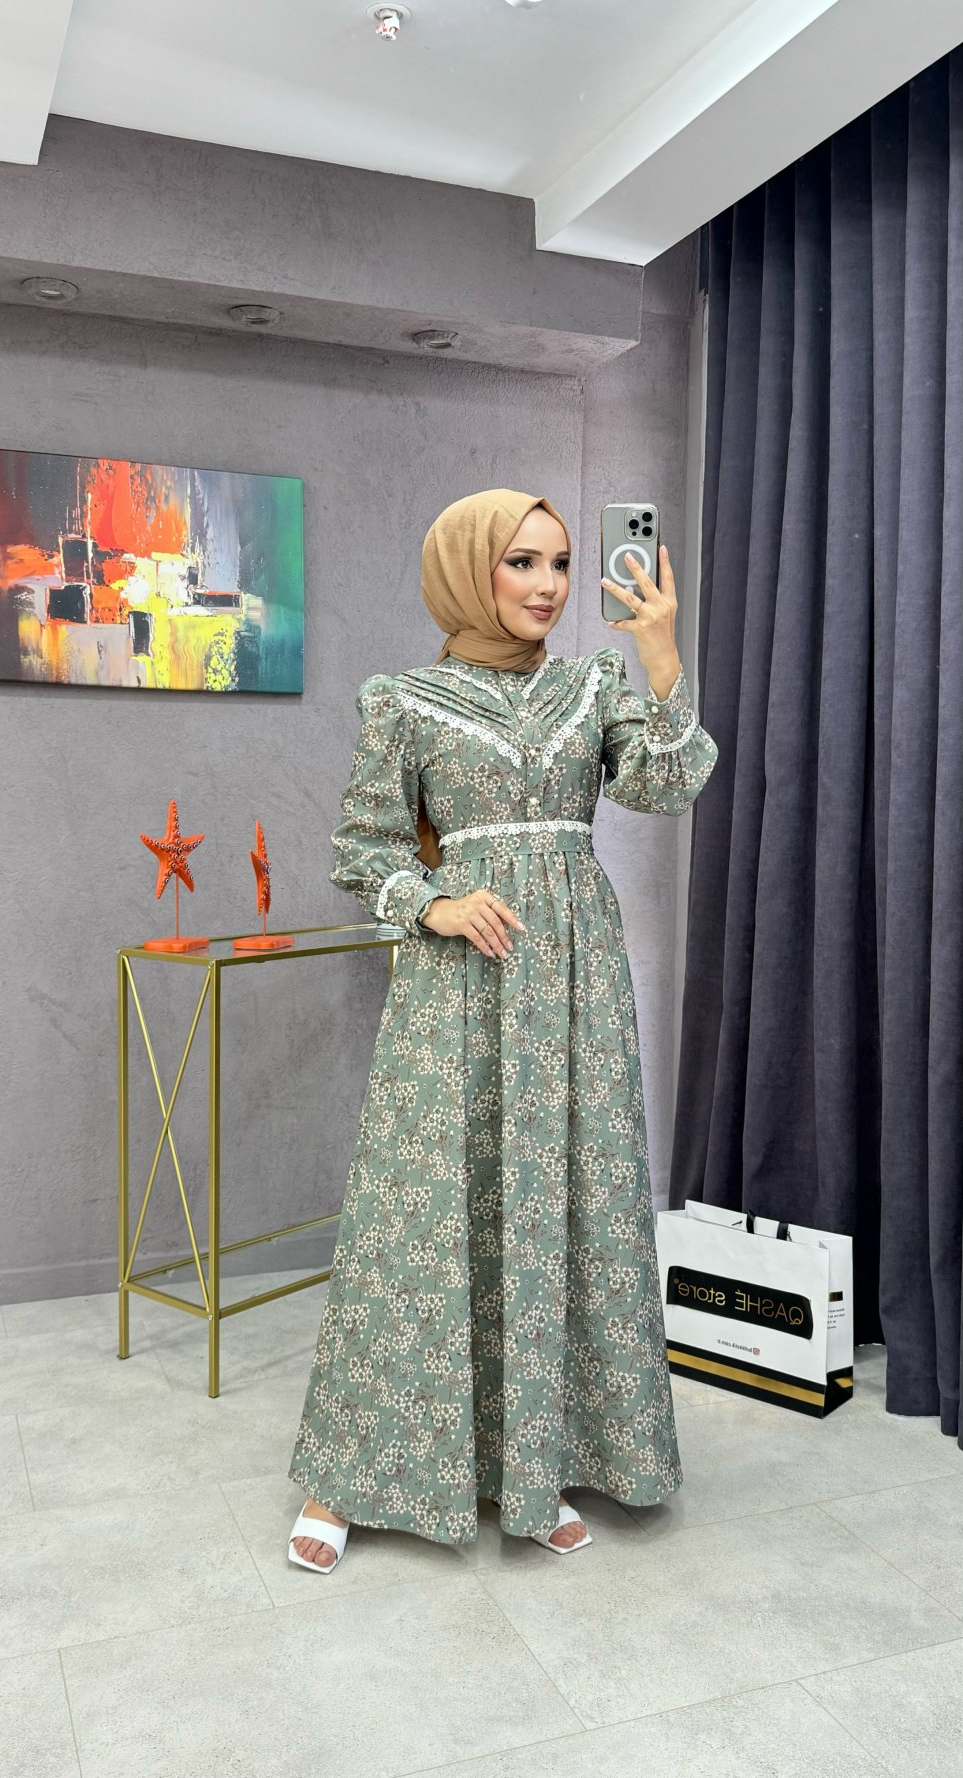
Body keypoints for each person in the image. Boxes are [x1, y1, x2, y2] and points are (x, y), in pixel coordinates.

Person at [287, 488, 719, 1572]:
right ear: (466, 568)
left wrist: (662, 653)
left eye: (560, 562)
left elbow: (668, 786)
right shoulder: (403, 699)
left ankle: (541, 1462)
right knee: (422, 1214)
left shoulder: (592, 685)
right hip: (458, 984)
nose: (547, 584)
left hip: (575, 984)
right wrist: (431, 901)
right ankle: (349, 1475)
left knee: (565, 1203)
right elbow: (364, 846)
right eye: (520, 561)